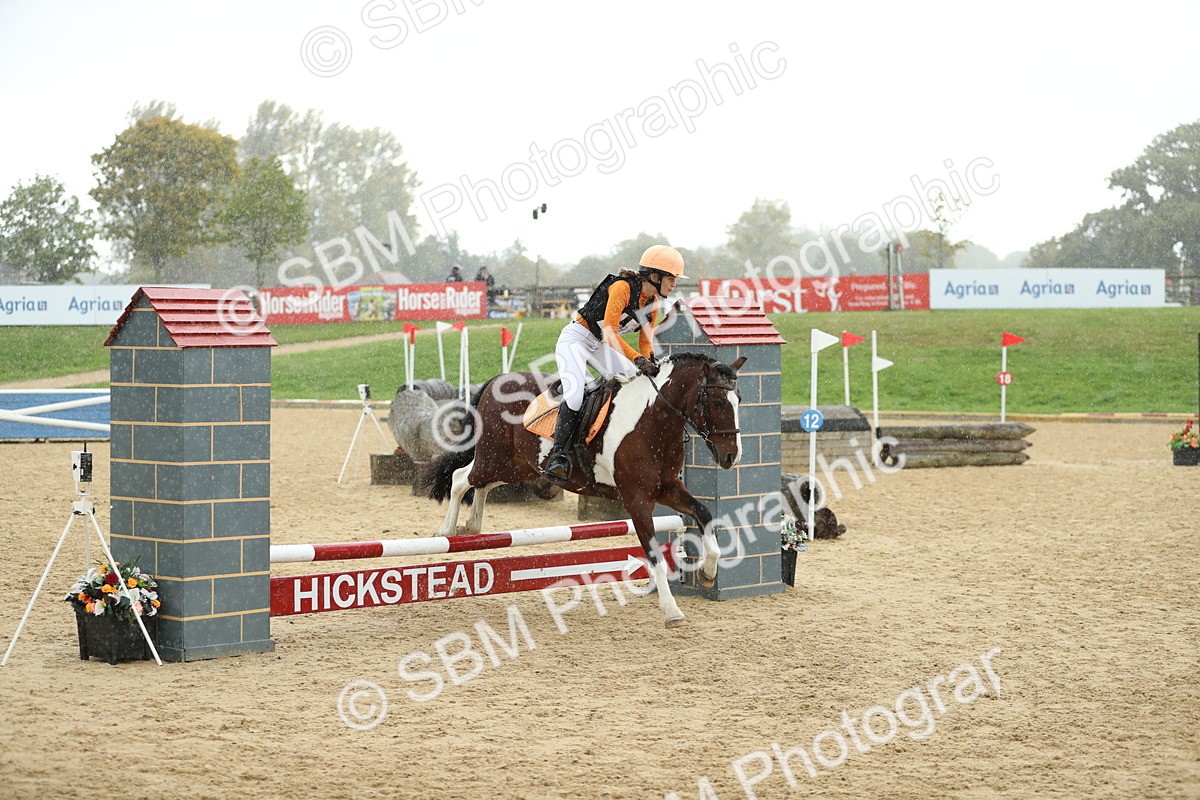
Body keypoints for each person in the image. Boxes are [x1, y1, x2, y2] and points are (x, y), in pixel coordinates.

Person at [543, 244, 687, 484]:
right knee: (576, 395)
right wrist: (638, 359)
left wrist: (650, 363)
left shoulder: (652, 304)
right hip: (576, 339)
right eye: (671, 278)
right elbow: (610, 332)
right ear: (655, 276)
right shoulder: (622, 288)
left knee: (636, 381)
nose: (674, 284)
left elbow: (645, 342)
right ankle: (558, 456)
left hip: (599, 345)